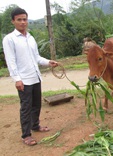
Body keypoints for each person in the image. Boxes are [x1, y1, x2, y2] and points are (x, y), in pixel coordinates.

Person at [2, 7, 58, 145]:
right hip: (24, 80)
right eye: (19, 20)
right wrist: (17, 79)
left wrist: (48, 62)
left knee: (36, 105)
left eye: (25, 19)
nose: (23, 22)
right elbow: (11, 61)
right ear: (13, 21)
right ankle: (26, 135)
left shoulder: (31, 38)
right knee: (26, 108)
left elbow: (37, 57)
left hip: (35, 77)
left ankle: (35, 125)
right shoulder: (9, 39)